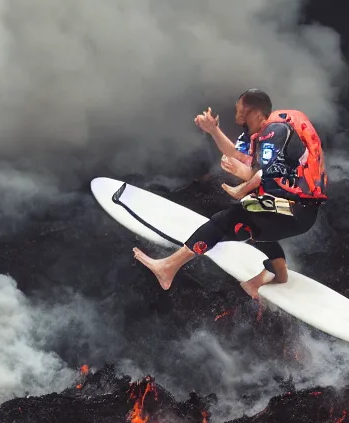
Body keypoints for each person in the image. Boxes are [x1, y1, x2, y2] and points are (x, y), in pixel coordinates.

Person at [133, 89, 329, 298]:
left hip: (298, 211)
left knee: (229, 220)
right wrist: (213, 131)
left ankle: (168, 269)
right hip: (292, 207)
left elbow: (262, 174)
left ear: (253, 112)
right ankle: (278, 274)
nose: (237, 117)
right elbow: (237, 155)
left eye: (239, 111)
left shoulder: (277, 131)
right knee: (252, 223)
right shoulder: (261, 131)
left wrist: (241, 184)